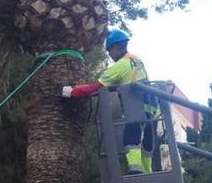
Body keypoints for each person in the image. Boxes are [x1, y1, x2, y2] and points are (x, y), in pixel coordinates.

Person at [62, 29, 158, 174]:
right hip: (152, 110)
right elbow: (128, 80)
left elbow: (95, 88)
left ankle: (135, 172)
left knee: (131, 140)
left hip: (136, 110)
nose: (110, 55)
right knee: (146, 146)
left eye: (109, 51)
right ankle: (147, 174)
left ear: (115, 47)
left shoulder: (118, 67)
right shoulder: (136, 59)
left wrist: (71, 91)